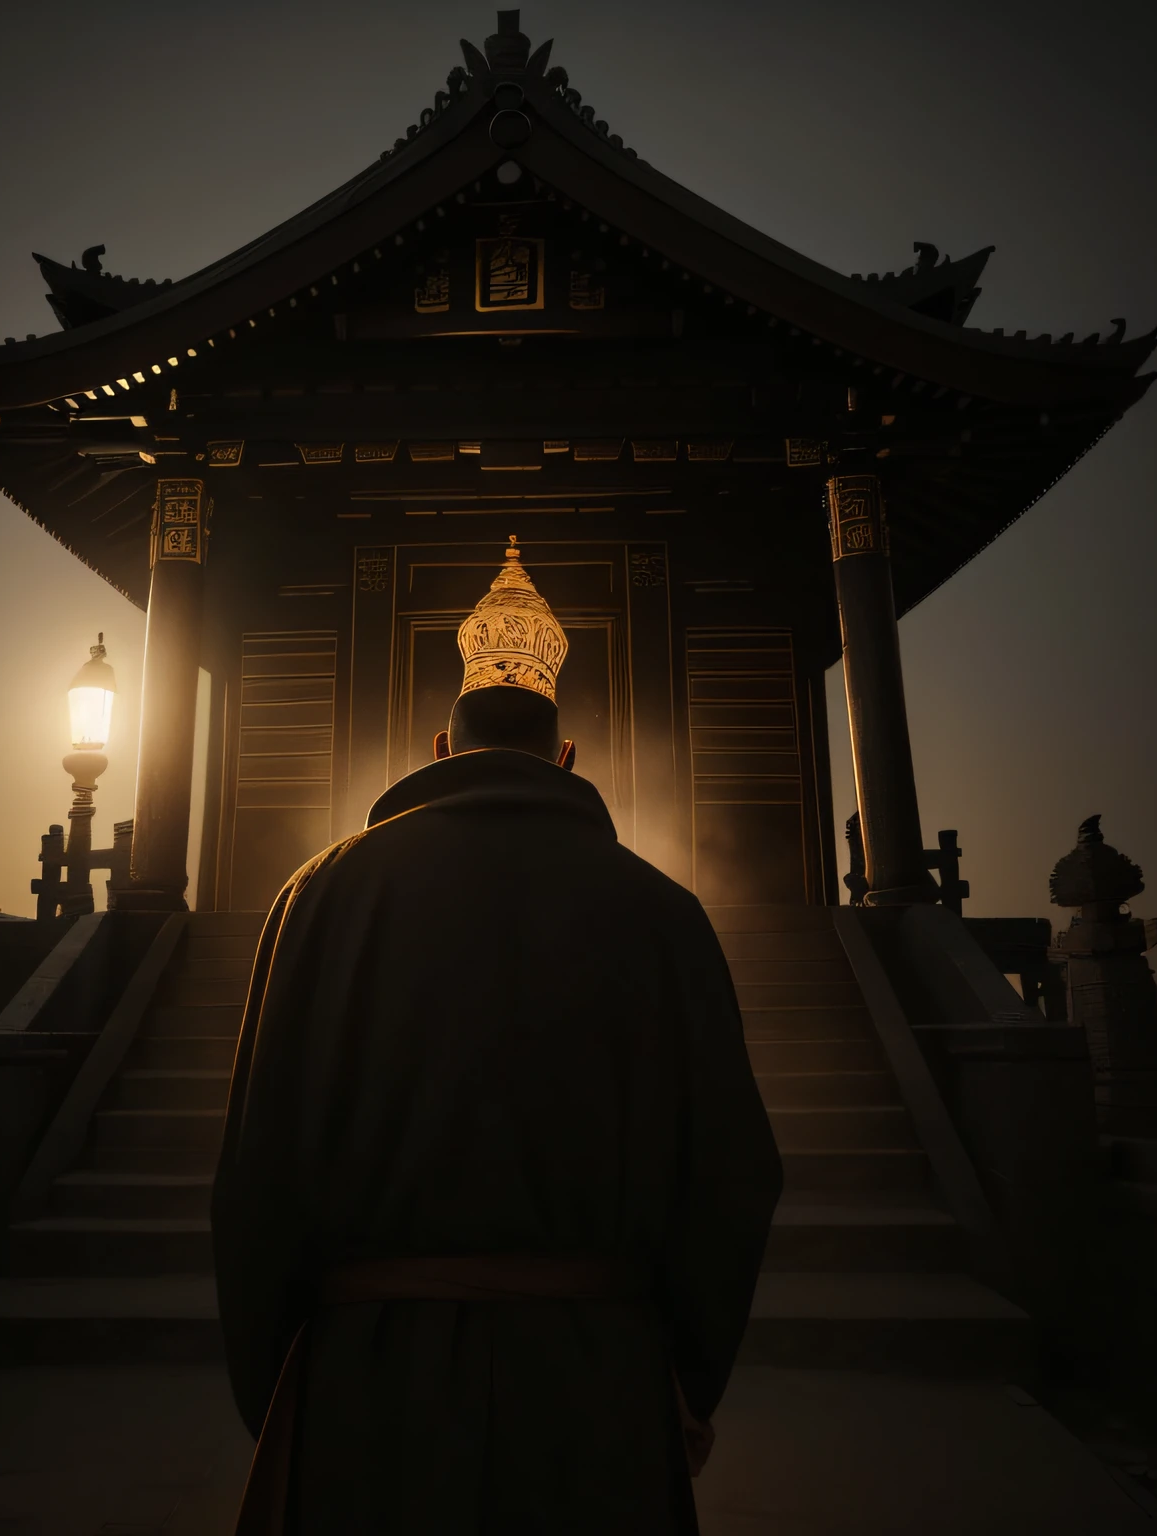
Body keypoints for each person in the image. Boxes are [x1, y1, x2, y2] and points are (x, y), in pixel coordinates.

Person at [213, 537, 782, 1534]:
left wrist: (285, 1390)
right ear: (565, 757)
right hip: (598, 1391)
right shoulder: (665, 913)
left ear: (441, 748)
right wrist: (681, 1385)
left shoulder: (317, 898)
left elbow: (253, 1179)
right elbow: (733, 1175)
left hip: (368, 1394)